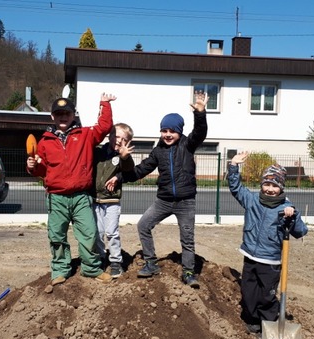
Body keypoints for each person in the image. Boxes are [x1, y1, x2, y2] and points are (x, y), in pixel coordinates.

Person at [108, 92, 208, 288]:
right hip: (163, 200)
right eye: (164, 130)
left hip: (185, 202)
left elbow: (200, 131)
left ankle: (188, 272)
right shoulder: (158, 151)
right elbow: (140, 170)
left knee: (187, 238)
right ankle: (151, 263)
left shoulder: (188, 145)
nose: (168, 134)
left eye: (172, 131)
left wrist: (200, 113)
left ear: (179, 132)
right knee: (143, 225)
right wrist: (119, 177)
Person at [26, 93, 117, 286]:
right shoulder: (44, 142)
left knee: (90, 233)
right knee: (56, 235)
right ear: (52, 116)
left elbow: (104, 127)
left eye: (66, 113)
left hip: (81, 197)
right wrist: (33, 166)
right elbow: (42, 170)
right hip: (56, 197)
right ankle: (60, 270)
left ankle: (91, 268)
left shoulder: (85, 135)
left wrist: (105, 104)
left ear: (73, 114)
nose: (63, 117)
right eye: (58, 113)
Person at [227, 151, 308, 338]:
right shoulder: (252, 200)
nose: (270, 189)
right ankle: (253, 322)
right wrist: (233, 166)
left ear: (281, 187)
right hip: (250, 255)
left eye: (274, 185)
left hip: (270, 261)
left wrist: (293, 216)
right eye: (267, 184)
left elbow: (300, 232)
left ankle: (269, 327)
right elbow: (236, 188)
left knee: (266, 295)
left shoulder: (286, 208)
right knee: (248, 292)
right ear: (262, 184)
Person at [92, 123, 135, 278]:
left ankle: (116, 261)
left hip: (112, 201)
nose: (118, 141)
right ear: (109, 136)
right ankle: (101, 257)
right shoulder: (98, 152)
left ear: (128, 142)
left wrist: (125, 158)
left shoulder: (123, 156)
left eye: (123, 139)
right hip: (96, 199)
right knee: (98, 232)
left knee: (112, 232)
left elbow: (130, 171)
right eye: (116, 136)